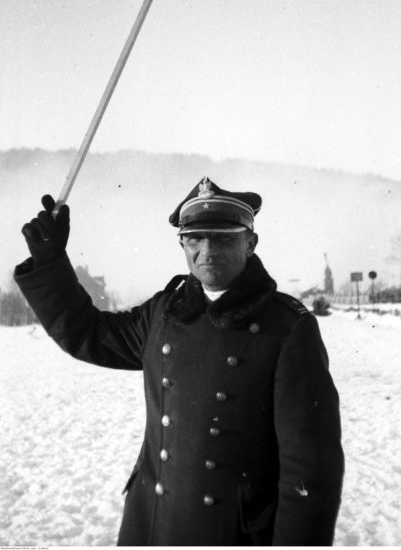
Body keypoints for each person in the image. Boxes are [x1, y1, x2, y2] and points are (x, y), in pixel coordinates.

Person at [14, 176, 344, 546]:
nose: (207, 251)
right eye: (194, 239)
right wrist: (51, 262)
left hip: (233, 533)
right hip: (152, 524)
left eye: (223, 238)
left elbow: (310, 469)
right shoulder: (164, 312)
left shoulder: (287, 327)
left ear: (250, 242)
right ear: (183, 245)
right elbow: (88, 333)